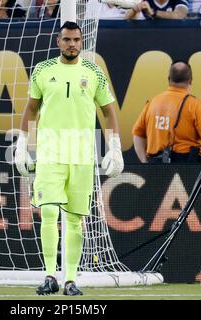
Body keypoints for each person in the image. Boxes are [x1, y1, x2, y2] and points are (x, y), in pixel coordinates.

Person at [14, 21, 123, 296]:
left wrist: (114, 146)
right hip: (49, 152)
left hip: (82, 155)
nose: (72, 44)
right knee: (49, 211)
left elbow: (109, 111)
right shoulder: (42, 69)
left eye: (76, 39)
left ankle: (71, 279)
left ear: (81, 42)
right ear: (58, 41)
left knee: (74, 219)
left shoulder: (93, 72)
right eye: (67, 39)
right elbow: (31, 109)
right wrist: (22, 144)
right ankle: (50, 275)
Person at [132, 61, 201, 164]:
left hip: (156, 166)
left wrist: (145, 163)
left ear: (169, 79)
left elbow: (137, 135)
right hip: (187, 167)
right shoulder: (195, 106)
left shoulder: (153, 103)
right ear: (190, 81)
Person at [125, 0, 189, 20]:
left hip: (175, 36)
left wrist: (153, 13)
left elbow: (180, 15)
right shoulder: (145, 1)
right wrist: (134, 10)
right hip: (149, 37)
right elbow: (126, 20)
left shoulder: (179, 0)